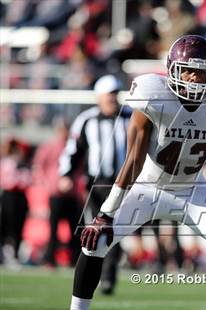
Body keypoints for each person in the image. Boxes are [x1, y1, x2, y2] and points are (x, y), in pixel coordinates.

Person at [69, 34, 206, 310]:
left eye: (201, 73)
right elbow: (133, 159)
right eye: (188, 70)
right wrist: (105, 214)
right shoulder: (152, 93)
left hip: (193, 189)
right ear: (171, 71)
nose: (194, 78)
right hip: (148, 186)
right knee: (96, 242)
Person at [60, 75, 131, 294]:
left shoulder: (130, 117)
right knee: (93, 230)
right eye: (108, 94)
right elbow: (74, 149)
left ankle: (108, 277)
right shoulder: (87, 119)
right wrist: (66, 173)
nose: (111, 98)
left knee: (115, 231)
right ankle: (94, 275)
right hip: (95, 183)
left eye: (114, 94)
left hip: (122, 183)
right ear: (99, 97)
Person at [32, 119, 82, 266]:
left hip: (72, 194)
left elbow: (81, 167)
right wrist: (50, 183)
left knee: (74, 229)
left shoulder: (74, 147)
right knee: (53, 229)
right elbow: (39, 167)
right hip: (55, 194)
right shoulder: (49, 146)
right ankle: (50, 260)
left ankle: (74, 260)